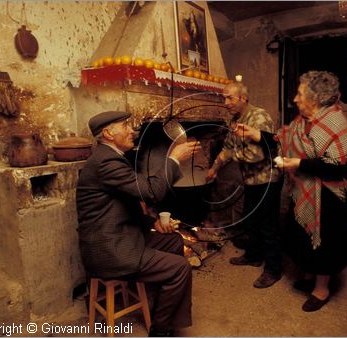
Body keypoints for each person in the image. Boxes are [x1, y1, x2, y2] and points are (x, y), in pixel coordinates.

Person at [235, 71, 347, 311]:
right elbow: (281, 139)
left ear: (315, 98)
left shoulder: (335, 122)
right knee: (303, 236)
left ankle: (321, 291)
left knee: (326, 243)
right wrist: (254, 134)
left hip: (331, 197)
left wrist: (298, 164)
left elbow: (338, 167)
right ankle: (310, 277)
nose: (295, 98)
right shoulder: (302, 122)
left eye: (300, 93)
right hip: (306, 191)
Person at [76, 111, 201, 336]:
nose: (132, 131)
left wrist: (154, 222)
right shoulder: (105, 161)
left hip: (122, 235)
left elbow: (122, 205)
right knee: (180, 268)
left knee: (172, 240)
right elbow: (151, 191)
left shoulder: (111, 156)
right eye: (125, 126)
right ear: (108, 133)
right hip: (110, 248)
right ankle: (160, 330)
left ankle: (161, 309)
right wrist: (173, 159)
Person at [206, 82, 283, 289]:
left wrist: (231, 156)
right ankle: (254, 256)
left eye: (230, 98)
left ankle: (274, 270)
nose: (226, 102)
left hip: (267, 180)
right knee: (250, 219)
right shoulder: (234, 120)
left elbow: (257, 155)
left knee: (268, 226)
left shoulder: (259, 117)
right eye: (224, 98)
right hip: (250, 180)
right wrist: (214, 168)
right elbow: (227, 148)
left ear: (243, 99)